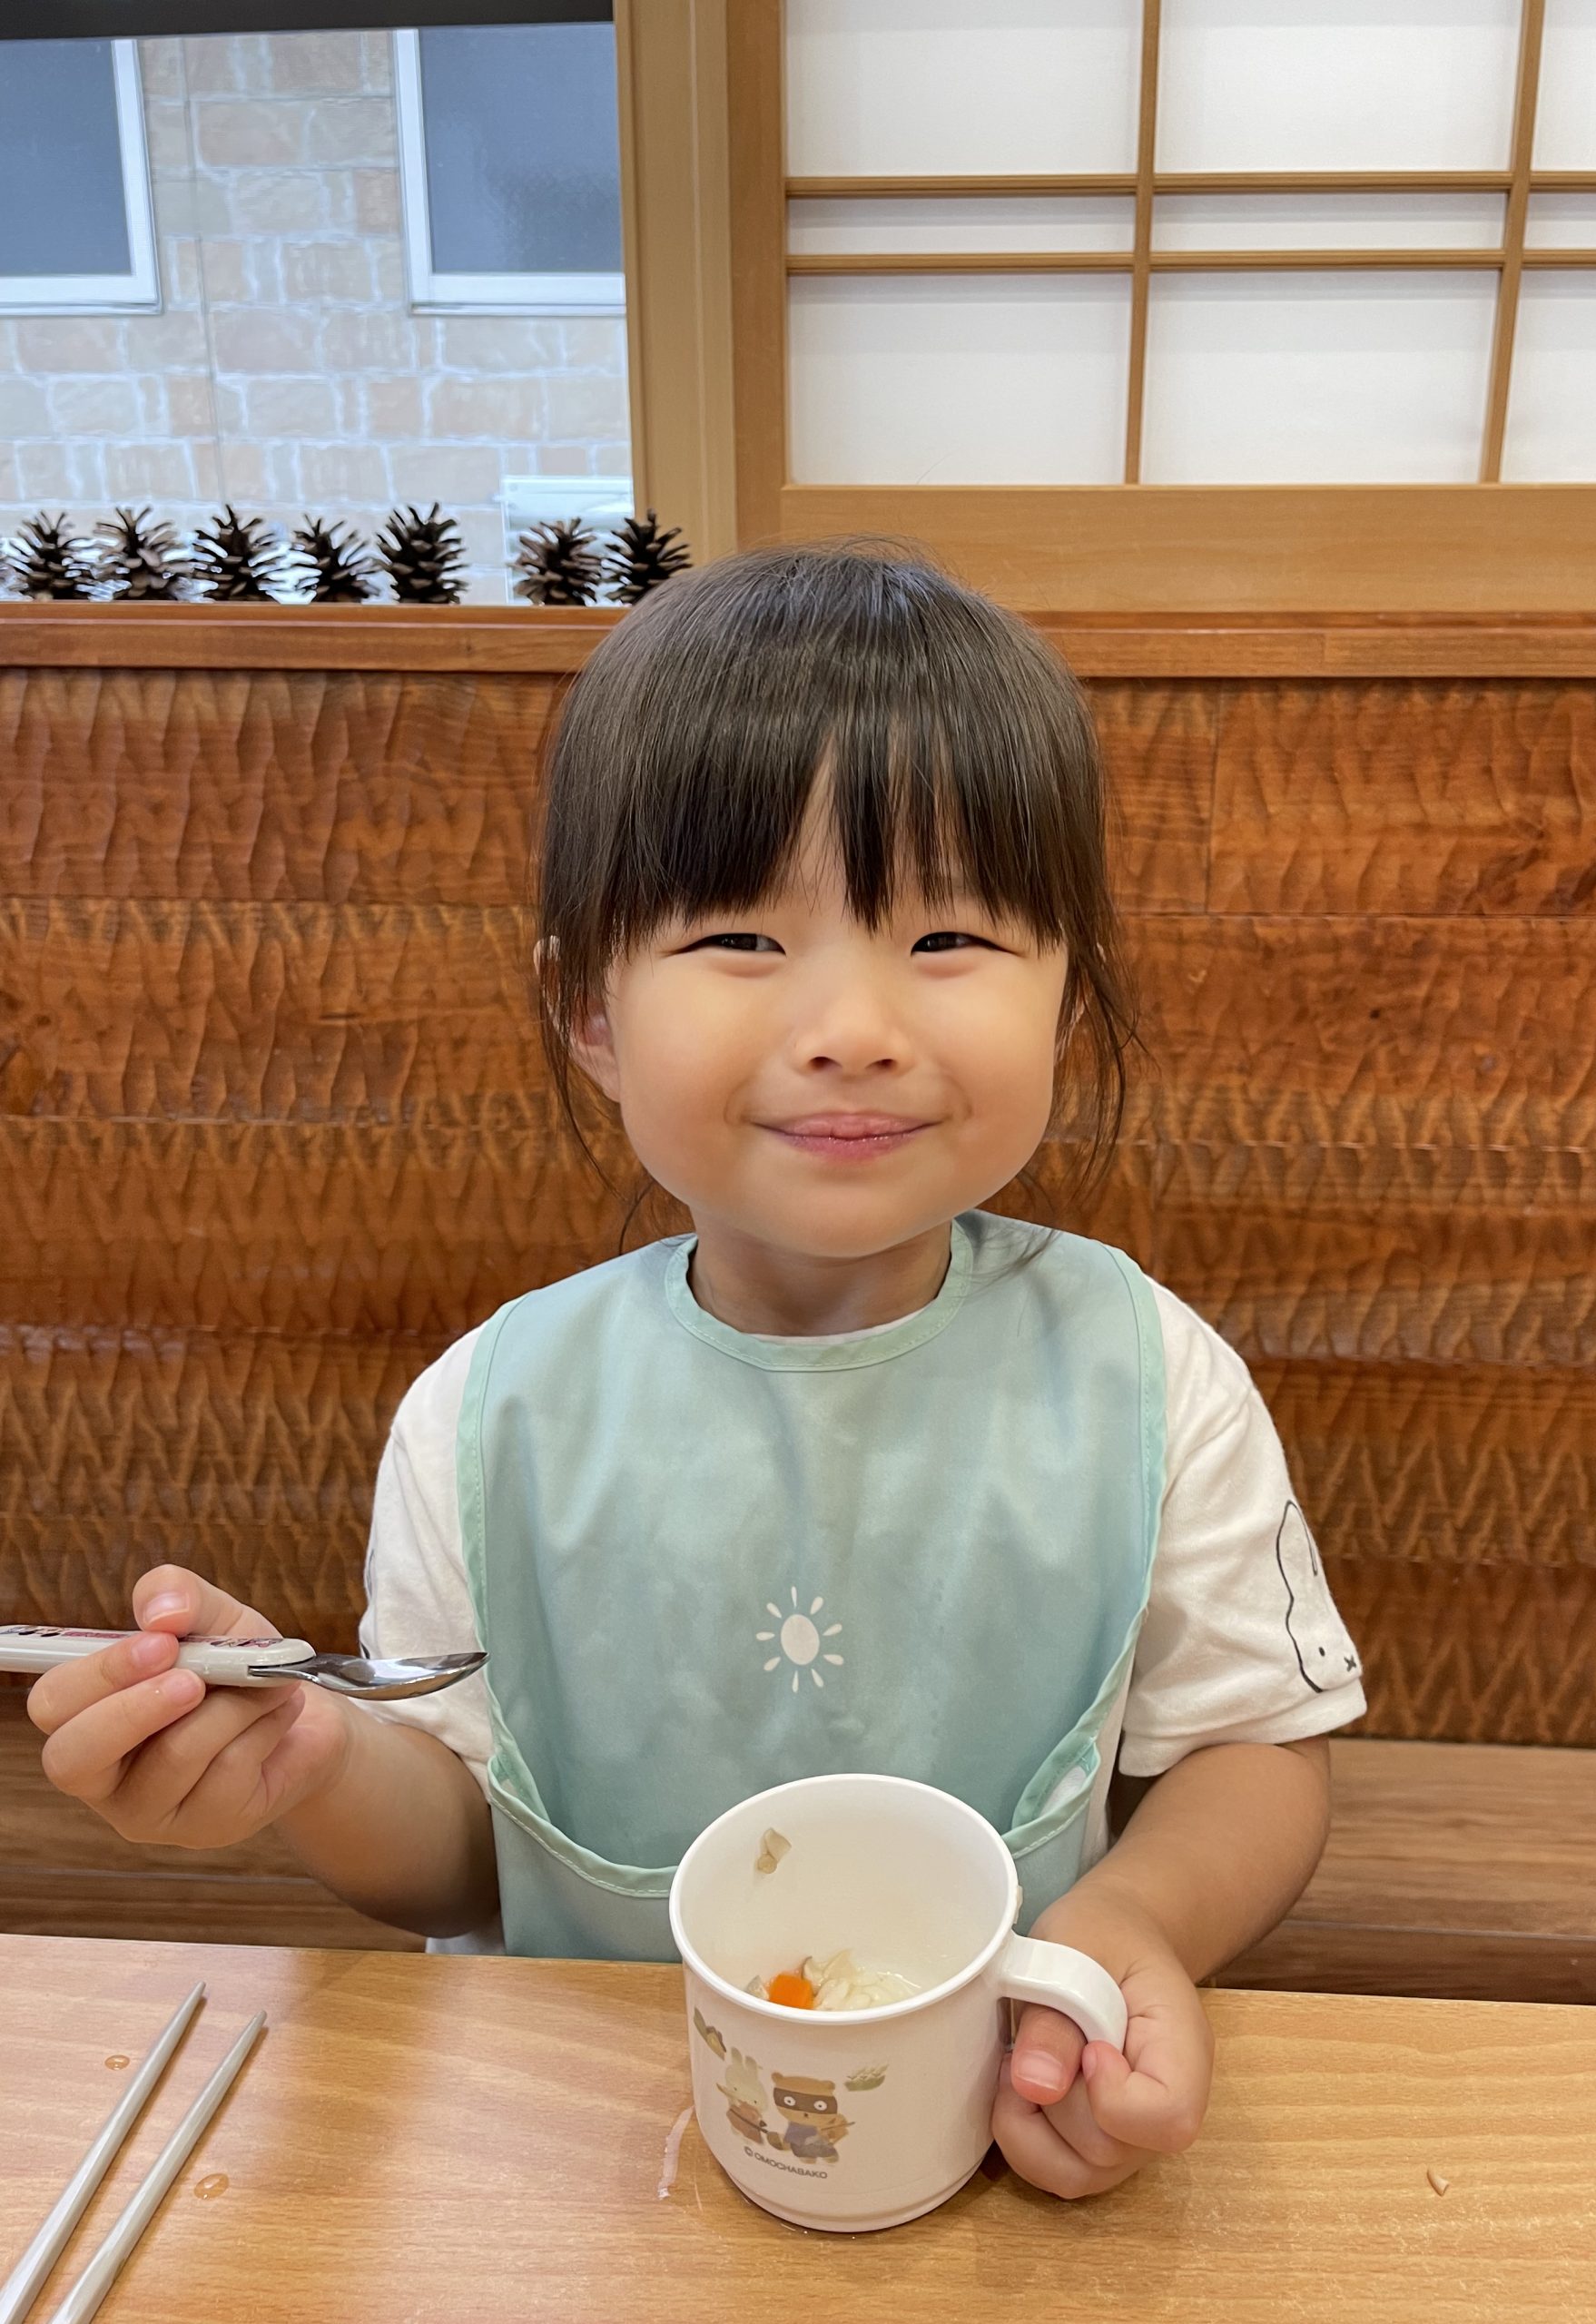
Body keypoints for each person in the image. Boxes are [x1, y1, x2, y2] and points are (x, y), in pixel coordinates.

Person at [28, 545, 1364, 2201]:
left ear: (1069, 998)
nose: (854, 1026)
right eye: (741, 934)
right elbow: (457, 1861)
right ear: (589, 1011)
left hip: (988, 2122)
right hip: (567, 2159)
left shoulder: (1145, 1373)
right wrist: (303, 1756)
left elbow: (1254, 1751)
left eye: (949, 933)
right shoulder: (489, 1412)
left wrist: (1134, 1924)